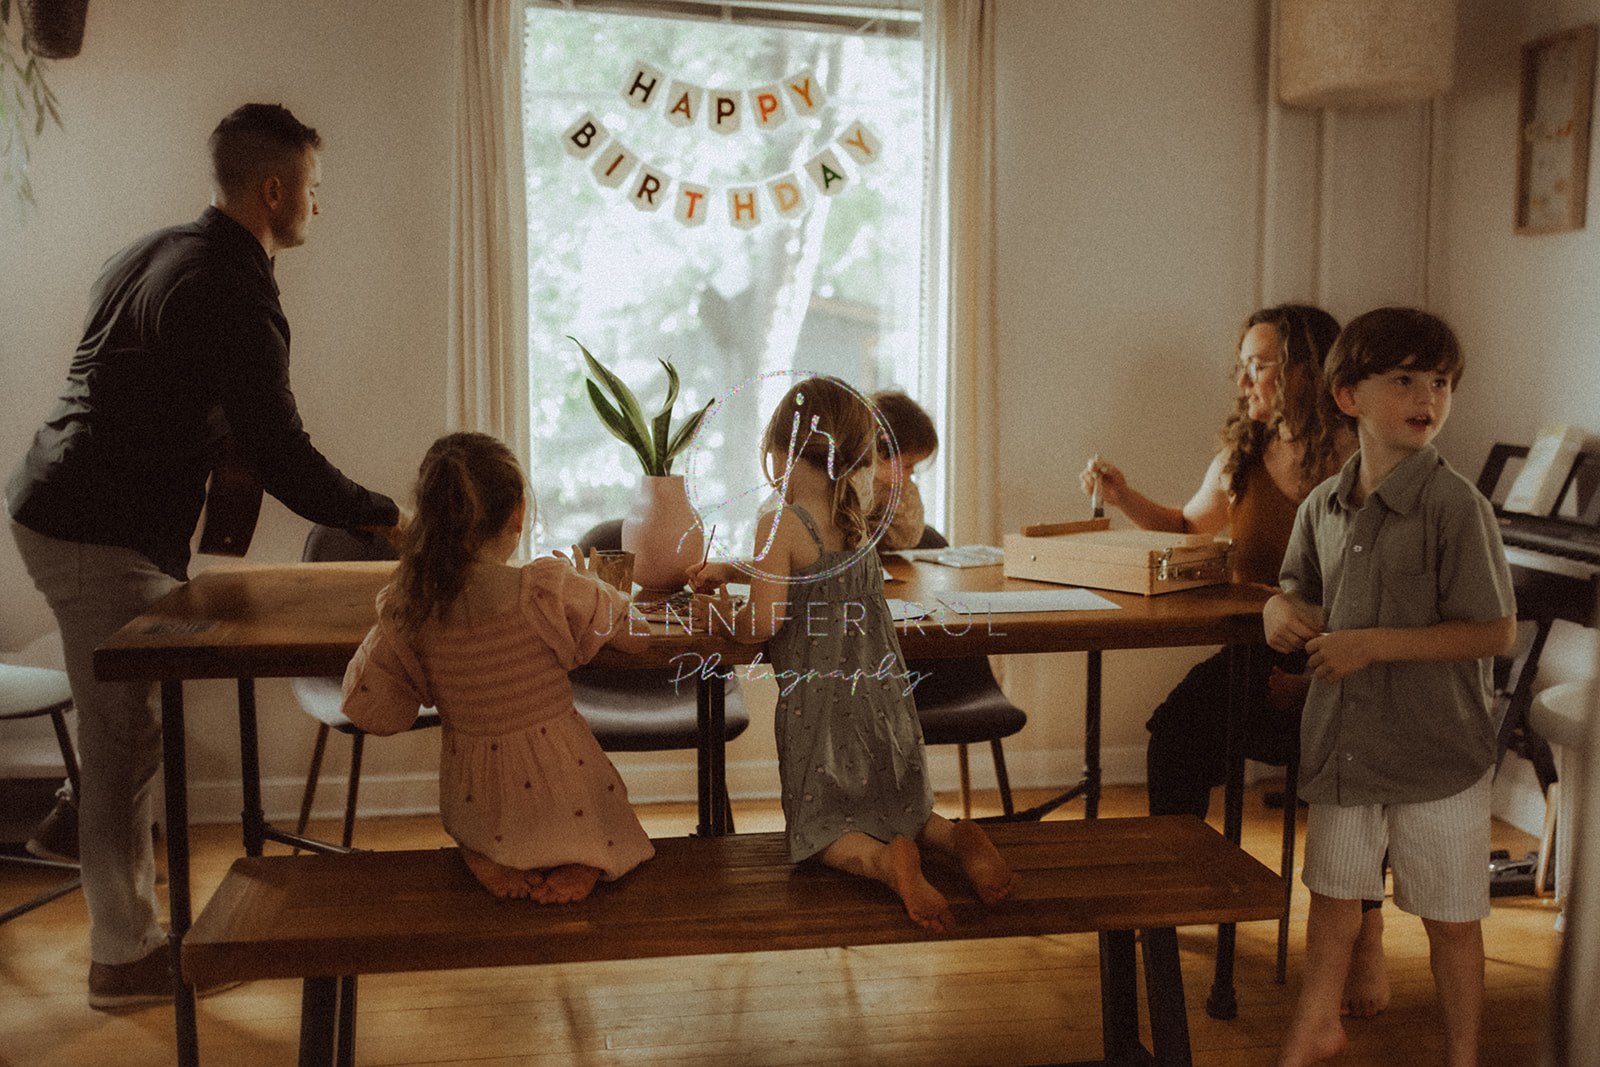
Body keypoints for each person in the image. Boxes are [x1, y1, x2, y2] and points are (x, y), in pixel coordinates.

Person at [6, 103, 400, 1010]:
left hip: (55, 501)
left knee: (123, 727)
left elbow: (163, 397)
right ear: (275, 189)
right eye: (313, 187)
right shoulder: (232, 288)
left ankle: (74, 822)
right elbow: (281, 449)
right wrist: (382, 516)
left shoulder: (155, 250)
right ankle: (123, 958)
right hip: (89, 527)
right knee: (127, 739)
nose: (317, 204)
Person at [1080, 304, 1394, 1016]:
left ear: (1304, 371)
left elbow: (1376, 586)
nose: (1243, 377)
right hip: (1256, 653)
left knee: (1357, 759)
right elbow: (1191, 527)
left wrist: (1309, 672)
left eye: (1258, 362)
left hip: (1344, 661)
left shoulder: (1362, 458)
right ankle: (1174, 885)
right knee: (1175, 731)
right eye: (1245, 362)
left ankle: (1367, 923)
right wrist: (1123, 493)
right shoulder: (1241, 455)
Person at [1265, 307, 1517, 1067]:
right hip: (1346, 747)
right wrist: (1281, 611)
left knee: (1450, 915)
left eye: (1439, 382)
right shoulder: (1322, 506)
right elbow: (1299, 591)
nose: (1426, 396)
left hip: (1437, 755)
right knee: (1336, 898)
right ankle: (1317, 1022)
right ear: (1349, 396)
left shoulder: (1457, 509)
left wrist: (1372, 646)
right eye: (1404, 378)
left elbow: (1493, 632)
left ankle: (1462, 1052)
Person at [687, 376, 1016, 932]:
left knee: (821, 831)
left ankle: (887, 864)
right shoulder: (855, 518)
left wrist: (715, 613)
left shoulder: (778, 521)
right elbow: (807, 573)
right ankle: (956, 837)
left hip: (821, 703)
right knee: (902, 809)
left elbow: (763, 621)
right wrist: (734, 567)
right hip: (881, 696)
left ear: (782, 452)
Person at [341, 432, 655, 904]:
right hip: (562, 778)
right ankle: (582, 854)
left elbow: (370, 709)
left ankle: (483, 849)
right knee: (590, 808)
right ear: (517, 515)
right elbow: (636, 637)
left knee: (483, 817)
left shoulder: (412, 607)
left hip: (476, 796)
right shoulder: (545, 589)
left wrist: (394, 610)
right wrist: (597, 585)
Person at [868, 390, 938, 551]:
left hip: (885, 552)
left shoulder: (902, 489)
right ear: (876, 452)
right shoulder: (846, 482)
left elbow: (910, 536)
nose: (911, 474)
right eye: (907, 466)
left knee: (932, 539)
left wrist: (899, 510)